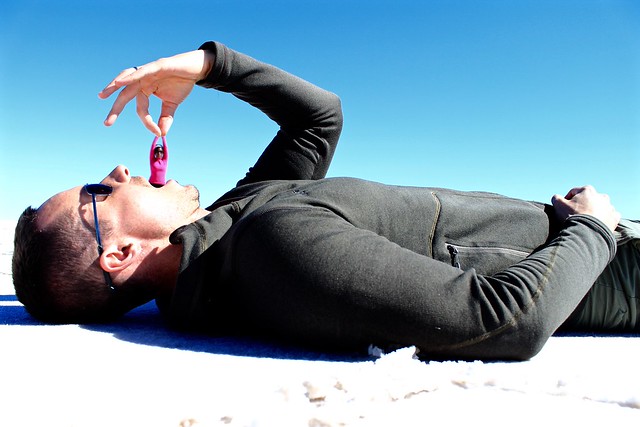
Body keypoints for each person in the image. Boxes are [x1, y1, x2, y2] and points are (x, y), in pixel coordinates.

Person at [11, 41, 638, 361]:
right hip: (617, 268)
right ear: (119, 255)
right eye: (97, 193)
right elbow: (504, 321)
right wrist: (594, 227)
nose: (118, 170)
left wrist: (208, 66)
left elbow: (317, 119)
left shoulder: (229, 230)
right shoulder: (271, 246)